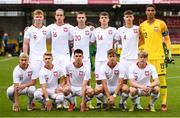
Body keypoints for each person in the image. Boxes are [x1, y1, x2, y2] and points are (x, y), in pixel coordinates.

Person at [139, 4, 172, 112]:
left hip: (159, 57)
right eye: (148, 10)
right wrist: (137, 49)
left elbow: (167, 38)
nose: (150, 12)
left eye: (152, 10)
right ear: (145, 12)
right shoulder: (142, 26)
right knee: (150, 82)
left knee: (161, 80)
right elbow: (142, 41)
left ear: (155, 12)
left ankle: (163, 103)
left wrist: (169, 52)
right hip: (147, 59)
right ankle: (150, 104)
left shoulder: (161, 23)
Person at [115, 10, 142, 109]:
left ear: (133, 18)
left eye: (130, 16)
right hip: (124, 59)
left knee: (136, 82)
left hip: (135, 59)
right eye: (127, 17)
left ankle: (137, 103)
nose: (129, 18)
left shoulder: (138, 28)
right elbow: (115, 40)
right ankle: (123, 102)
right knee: (124, 81)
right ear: (124, 18)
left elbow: (143, 38)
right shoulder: (120, 30)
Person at [90, 12, 117, 108]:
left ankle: (110, 101)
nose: (104, 19)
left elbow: (116, 40)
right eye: (102, 17)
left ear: (108, 19)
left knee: (109, 80)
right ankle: (99, 102)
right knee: (98, 80)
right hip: (99, 59)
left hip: (109, 59)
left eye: (106, 17)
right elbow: (92, 42)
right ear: (99, 19)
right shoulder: (95, 31)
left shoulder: (113, 30)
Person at [70, 11, 94, 109]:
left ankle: (88, 102)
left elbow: (92, 42)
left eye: (82, 17)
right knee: (72, 77)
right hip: (74, 58)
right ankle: (73, 101)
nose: (80, 19)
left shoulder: (90, 30)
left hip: (86, 58)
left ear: (85, 18)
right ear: (76, 19)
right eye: (79, 17)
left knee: (87, 79)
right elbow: (70, 40)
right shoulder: (72, 30)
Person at [23, 9, 50, 79]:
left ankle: (44, 89)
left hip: (44, 58)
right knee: (32, 78)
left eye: (40, 17)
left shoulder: (46, 29)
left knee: (46, 77)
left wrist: (49, 52)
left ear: (43, 18)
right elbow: (25, 43)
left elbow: (49, 42)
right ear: (34, 17)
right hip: (33, 58)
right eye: (37, 16)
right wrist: (26, 55)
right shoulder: (29, 30)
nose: (39, 18)